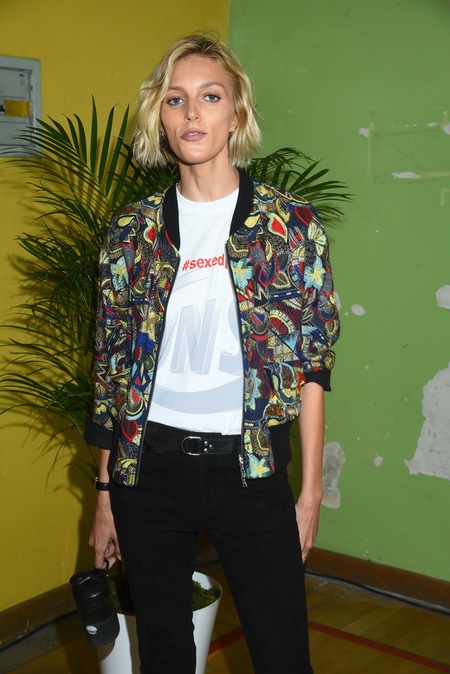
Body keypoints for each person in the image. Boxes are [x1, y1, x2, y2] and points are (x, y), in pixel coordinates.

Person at [85, 33, 340, 674]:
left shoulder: (288, 225)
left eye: (210, 96)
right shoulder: (131, 232)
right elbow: (110, 373)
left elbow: (312, 367)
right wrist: (106, 492)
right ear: (160, 118)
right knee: (164, 655)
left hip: (250, 472)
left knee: (283, 655)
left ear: (236, 114)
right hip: (149, 471)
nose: (192, 113)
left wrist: (309, 493)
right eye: (176, 99)